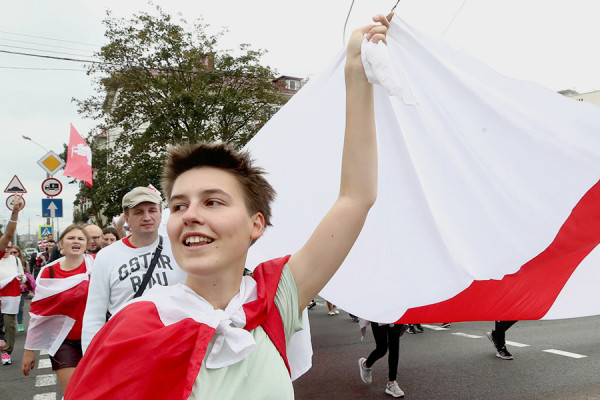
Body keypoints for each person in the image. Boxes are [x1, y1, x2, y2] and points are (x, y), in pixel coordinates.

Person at [66, 13, 390, 399]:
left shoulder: (275, 302)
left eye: (213, 201)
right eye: (180, 205)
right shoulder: (132, 327)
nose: (191, 215)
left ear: (256, 224)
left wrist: (357, 70)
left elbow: (356, 197)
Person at [81, 187, 187, 352]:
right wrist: (90, 357)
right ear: (127, 219)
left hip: (175, 345)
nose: (147, 217)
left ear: (160, 214)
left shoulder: (181, 249)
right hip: (128, 348)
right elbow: (94, 314)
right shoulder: (107, 256)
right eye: (138, 212)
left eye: (152, 210)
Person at [22, 224, 94, 391]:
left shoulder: (96, 265)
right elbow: (39, 313)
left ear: (86, 244)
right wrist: (29, 350)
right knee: (74, 392)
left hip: (96, 339)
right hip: (64, 341)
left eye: (80, 238)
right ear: (61, 245)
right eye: (70, 238)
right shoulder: (49, 272)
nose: (76, 241)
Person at [0, 194, 25, 365]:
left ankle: (6, 352)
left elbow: (8, 235)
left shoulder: (10, 256)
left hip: (9, 297)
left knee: (10, 326)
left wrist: (15, 212)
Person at [358, 321, 406, 398]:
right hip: (378, 315)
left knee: (394, 346)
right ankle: (366, 364)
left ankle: (392, 382)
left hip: (395, 314)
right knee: (382, 349)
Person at [8, 245, 35, 332]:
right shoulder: (5, 262)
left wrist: (23, 275)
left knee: (20, 307)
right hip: (9, 288)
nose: (13, 254)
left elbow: (28, 274)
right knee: (9, 307)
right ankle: (9, 325)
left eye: (15, 252)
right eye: (11, 252)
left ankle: (20, 323)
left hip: (21, 288)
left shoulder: (24, 262)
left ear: (19, 253)